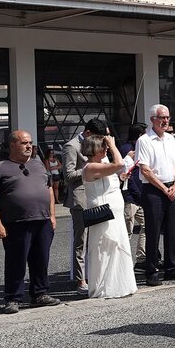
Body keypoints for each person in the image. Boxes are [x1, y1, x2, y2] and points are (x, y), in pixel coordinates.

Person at [0, 131, 62, 314]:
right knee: (16, 261)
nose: (29, 146)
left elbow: (49, 189)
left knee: (41, 259)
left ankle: (40, 294)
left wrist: (52, 215)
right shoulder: (0, 168)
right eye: (24, 143)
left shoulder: (38, 165)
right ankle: (13, 298)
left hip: (42, 220)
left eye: (30, 143)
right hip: (15, 222)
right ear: (12, 145)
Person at [135, 104, 175, 286]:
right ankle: (151, 270)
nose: (165, 121)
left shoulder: (170, 139)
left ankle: (172, 268)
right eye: (161, 118)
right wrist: (164, 189)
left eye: (167, 118)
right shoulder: (144, 141)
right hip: (154, 190)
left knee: (173, 230)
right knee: (153, 231)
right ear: (152, 119)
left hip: (171, 187)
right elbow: (146, 170)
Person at [81, 134, 137, 299]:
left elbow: (114, 175)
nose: (106, 149)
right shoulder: (90, 167)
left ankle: (120, 284)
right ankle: (105, 287)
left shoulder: (102, 165)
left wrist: (120, 178)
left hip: (115, 214)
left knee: (118, 247)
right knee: (105, 248)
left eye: (106, 146)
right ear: (94, 149)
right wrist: (113, 145)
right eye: (103, 147)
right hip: (103, 215)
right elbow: (119, 164)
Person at [62, 118, 109, 296]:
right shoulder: (71, 146)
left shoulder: (98, 143)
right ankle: (81, 280)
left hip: (98, 195)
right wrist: (91, 169)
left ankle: (97, 274)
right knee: (82, 239)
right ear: (87, 133)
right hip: (80, 198)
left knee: (98, 237)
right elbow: (68, 174)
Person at [119, 123, 147, 267]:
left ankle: (141, 258)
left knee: (146, 226)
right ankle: (123, 262)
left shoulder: (138, 148)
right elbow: (127, 176)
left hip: (140, 196)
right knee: (127, 231)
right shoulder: (126, 150)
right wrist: (138, 194)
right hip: (129, 197)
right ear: (139, 135)